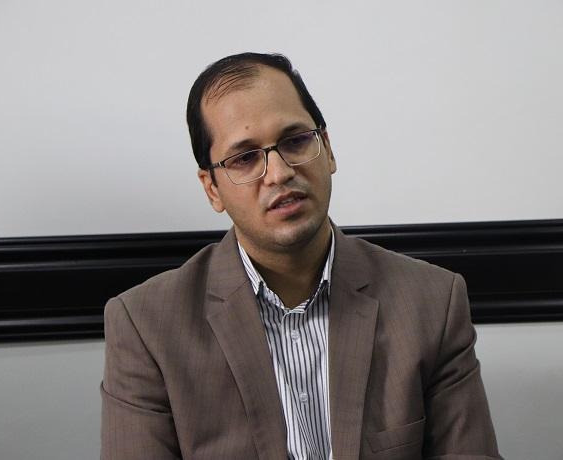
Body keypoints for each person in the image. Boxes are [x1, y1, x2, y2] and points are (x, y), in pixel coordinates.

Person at [100, 52, 501, 460]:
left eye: (295, 141)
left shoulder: (432, 301)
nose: (279, 173)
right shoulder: (146, 327)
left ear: (327, 148)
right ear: (212, 189)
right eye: (245, 158)